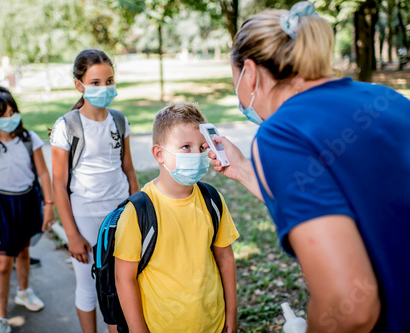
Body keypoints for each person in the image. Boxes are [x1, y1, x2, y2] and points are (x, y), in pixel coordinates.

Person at [207, 2, 410, 332]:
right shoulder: (386, 99)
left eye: (235, 83)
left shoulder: (281, 133)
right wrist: (243, 169)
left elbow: (351, 307)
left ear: (250, 73)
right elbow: (347, 199)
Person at [114, 103, 239, 333]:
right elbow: (124, 279)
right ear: (159, 154)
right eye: (185, 147)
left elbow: (225, 259)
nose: (198, 154)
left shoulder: (212, 199)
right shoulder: (138, 211)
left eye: (202, 147)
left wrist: (231, 315)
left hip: (214, 323)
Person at [51, 49, 140, 333]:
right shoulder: (66, 126)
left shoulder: (120, 120)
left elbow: (129, 170)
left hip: (121, 213)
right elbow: (59, 185)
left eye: (109, 81)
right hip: (86, 217)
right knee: (89, 286)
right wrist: (72, 234)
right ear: (80, 85)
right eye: (96, 82)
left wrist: (138, 209)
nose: (105, 88)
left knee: (121, 282)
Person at [0, 86, 56, 333]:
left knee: (23, 251)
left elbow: (43, 173)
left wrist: (49, 205)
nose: (11, 118)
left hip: (27, 202)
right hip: (1, 206)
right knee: (1, 264)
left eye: (13, 112)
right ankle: (1, 317)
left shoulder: (30, 138)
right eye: (3, 114)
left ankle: (23, 292)